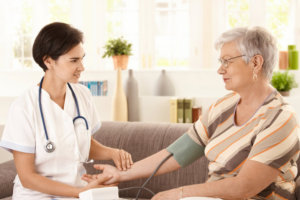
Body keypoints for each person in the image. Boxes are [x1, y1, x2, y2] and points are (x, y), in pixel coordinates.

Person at [83, 26, 300, 200]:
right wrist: (121, 174)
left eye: (227, 61)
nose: (220, 69)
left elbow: (243, 187)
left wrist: (177, 193)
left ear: (255, 62)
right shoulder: (223, 107)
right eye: (220, 61)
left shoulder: (280, 119)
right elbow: (178, 152)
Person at [0, 22, 133, 199]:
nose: (82, 67)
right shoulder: (24, 106)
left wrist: (113, 153)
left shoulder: (82, 95)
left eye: (82, 59)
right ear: (48, 61)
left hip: (76, 190)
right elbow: (27, 178)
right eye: (74, 60)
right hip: (36, 195)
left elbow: (83, 142)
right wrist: (79, 193)